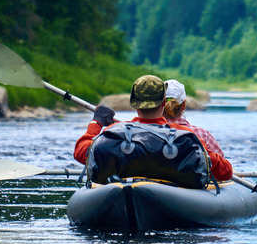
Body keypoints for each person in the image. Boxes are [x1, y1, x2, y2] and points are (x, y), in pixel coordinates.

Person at [73, 75, 233, 181]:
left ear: (133, 103)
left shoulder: (115, 132)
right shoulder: (186, 136)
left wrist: (97, 123)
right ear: (163, 103)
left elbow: (81, 152)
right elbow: (225, 171)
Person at [162, 79, 225, 158]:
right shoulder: (203, 135)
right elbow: (223, 168)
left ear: (159, 106)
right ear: (184, 105)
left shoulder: (148, 134)